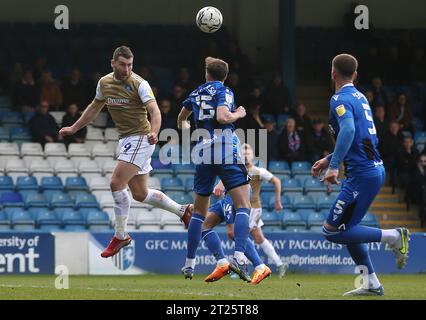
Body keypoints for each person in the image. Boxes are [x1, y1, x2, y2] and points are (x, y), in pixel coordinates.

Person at [59, 46, 192, 258]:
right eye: (122, 64)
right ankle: (182, 210)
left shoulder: (140, 84)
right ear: (113, 63)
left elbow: (155, 112)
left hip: (141, 137)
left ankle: (120, 235)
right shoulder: (105, 83)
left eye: (130, 65)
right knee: (140, 193)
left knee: (115, 183)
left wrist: (154, 132)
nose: (127, 69)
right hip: (126, 139)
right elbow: (94, 107)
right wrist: (74, 128)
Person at [311, 53, 410, 297]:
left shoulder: (339, 98)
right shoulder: (361, 97)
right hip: (372, 170)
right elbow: (355, 136)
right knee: (349, 227)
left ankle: (394, 236)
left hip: (362, 174)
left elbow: (348, 129)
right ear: (355, 74)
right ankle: (371, 283)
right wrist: (328, 159)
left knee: (332, 231)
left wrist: (334, 165)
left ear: (333, 73)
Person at [177, 56, 251, 281]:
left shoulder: (196, 93)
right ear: (225, 76)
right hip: (225, 148)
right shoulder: (225, 91)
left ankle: (189, 264)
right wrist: (239, 113)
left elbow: (181, 120)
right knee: (243, 205)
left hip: (203, 150)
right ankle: (238, 257)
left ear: (206, 74)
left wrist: (190, 128)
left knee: (199, 213)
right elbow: (222, 116)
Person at [213, 143, 288, 278]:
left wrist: (277, 201)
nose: (246, 156)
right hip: (241, 208)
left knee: (239, 234)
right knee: (258, 238)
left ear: (253, 156)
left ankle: (242, 265)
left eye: (249, 153)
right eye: (244, 153)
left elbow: (277, 181)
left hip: (253, 208)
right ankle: (278, 263)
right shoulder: (235, 170)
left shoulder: (258, 171)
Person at [202, 191, 271, 285]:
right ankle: (222, 263)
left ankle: (260, 267)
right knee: (204, 226)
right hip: (229, 194)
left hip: (233, 192)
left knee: (233, 232)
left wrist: (221, 183)